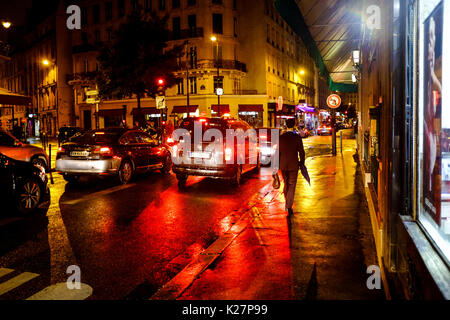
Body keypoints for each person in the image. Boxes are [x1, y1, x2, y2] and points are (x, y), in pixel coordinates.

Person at [276, 118, 306, 217]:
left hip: (283, 165)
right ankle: (289, 206)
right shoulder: (296, 137)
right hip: (293, 165)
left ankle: (287, 203)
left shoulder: (281, 137)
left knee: (286, 184)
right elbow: (301, 152)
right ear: (293, 125)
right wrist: (301, 163)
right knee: (292, 185)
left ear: (286, 125)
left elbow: (277, 153)